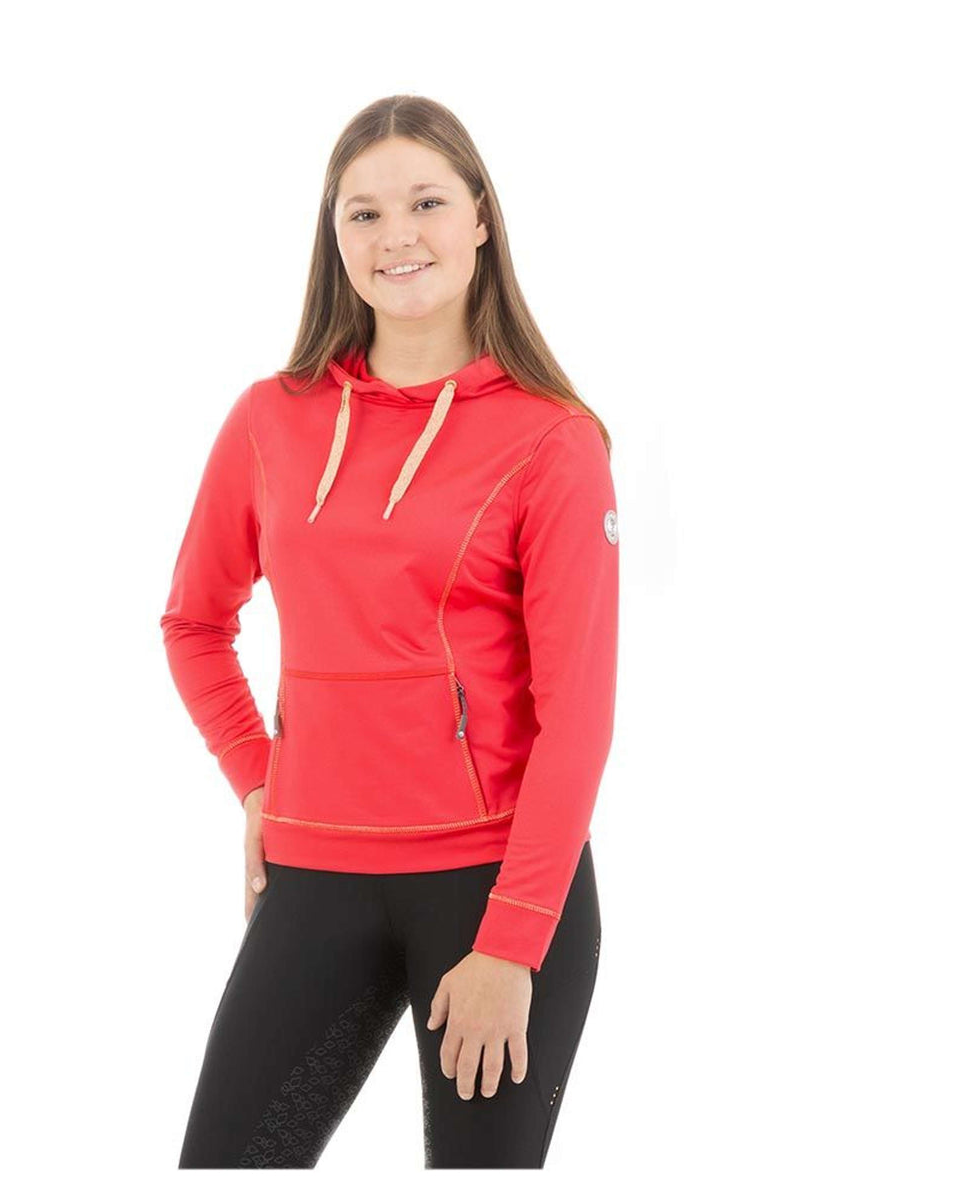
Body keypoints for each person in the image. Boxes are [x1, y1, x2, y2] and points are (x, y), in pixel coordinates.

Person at [160, 94, 619, 1169]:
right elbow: (194, 622)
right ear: (335, 237)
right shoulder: (271, 419)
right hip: (313, 876)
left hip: (493, 885)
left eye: (426, 203)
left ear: (480, 219)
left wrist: (514, 943)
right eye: (362, 213)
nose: (395, 235)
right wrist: (262, 781)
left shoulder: (551, 440)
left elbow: (577, 718)